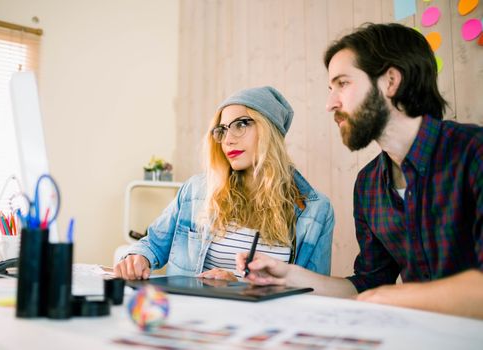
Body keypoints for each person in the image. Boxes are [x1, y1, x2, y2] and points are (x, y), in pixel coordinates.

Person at [236, 23, 483, 319]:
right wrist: (287, 276)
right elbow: (367, 285)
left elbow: (381, 294)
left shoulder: (474, 154)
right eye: (331, 88)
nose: (330, 103)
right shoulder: (368, 185)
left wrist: (393, 297)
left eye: (343, 84)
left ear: (390, 82)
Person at [114, 86, 334, 281]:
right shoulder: (196, 191)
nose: (228, 140)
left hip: (265, 324)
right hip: (193, 318)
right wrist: (138, 257)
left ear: (270, 130)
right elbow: (153, 243)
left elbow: (315, 292)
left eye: (241, 124)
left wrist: (236, 286)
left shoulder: (316, 210)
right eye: (222, 130)